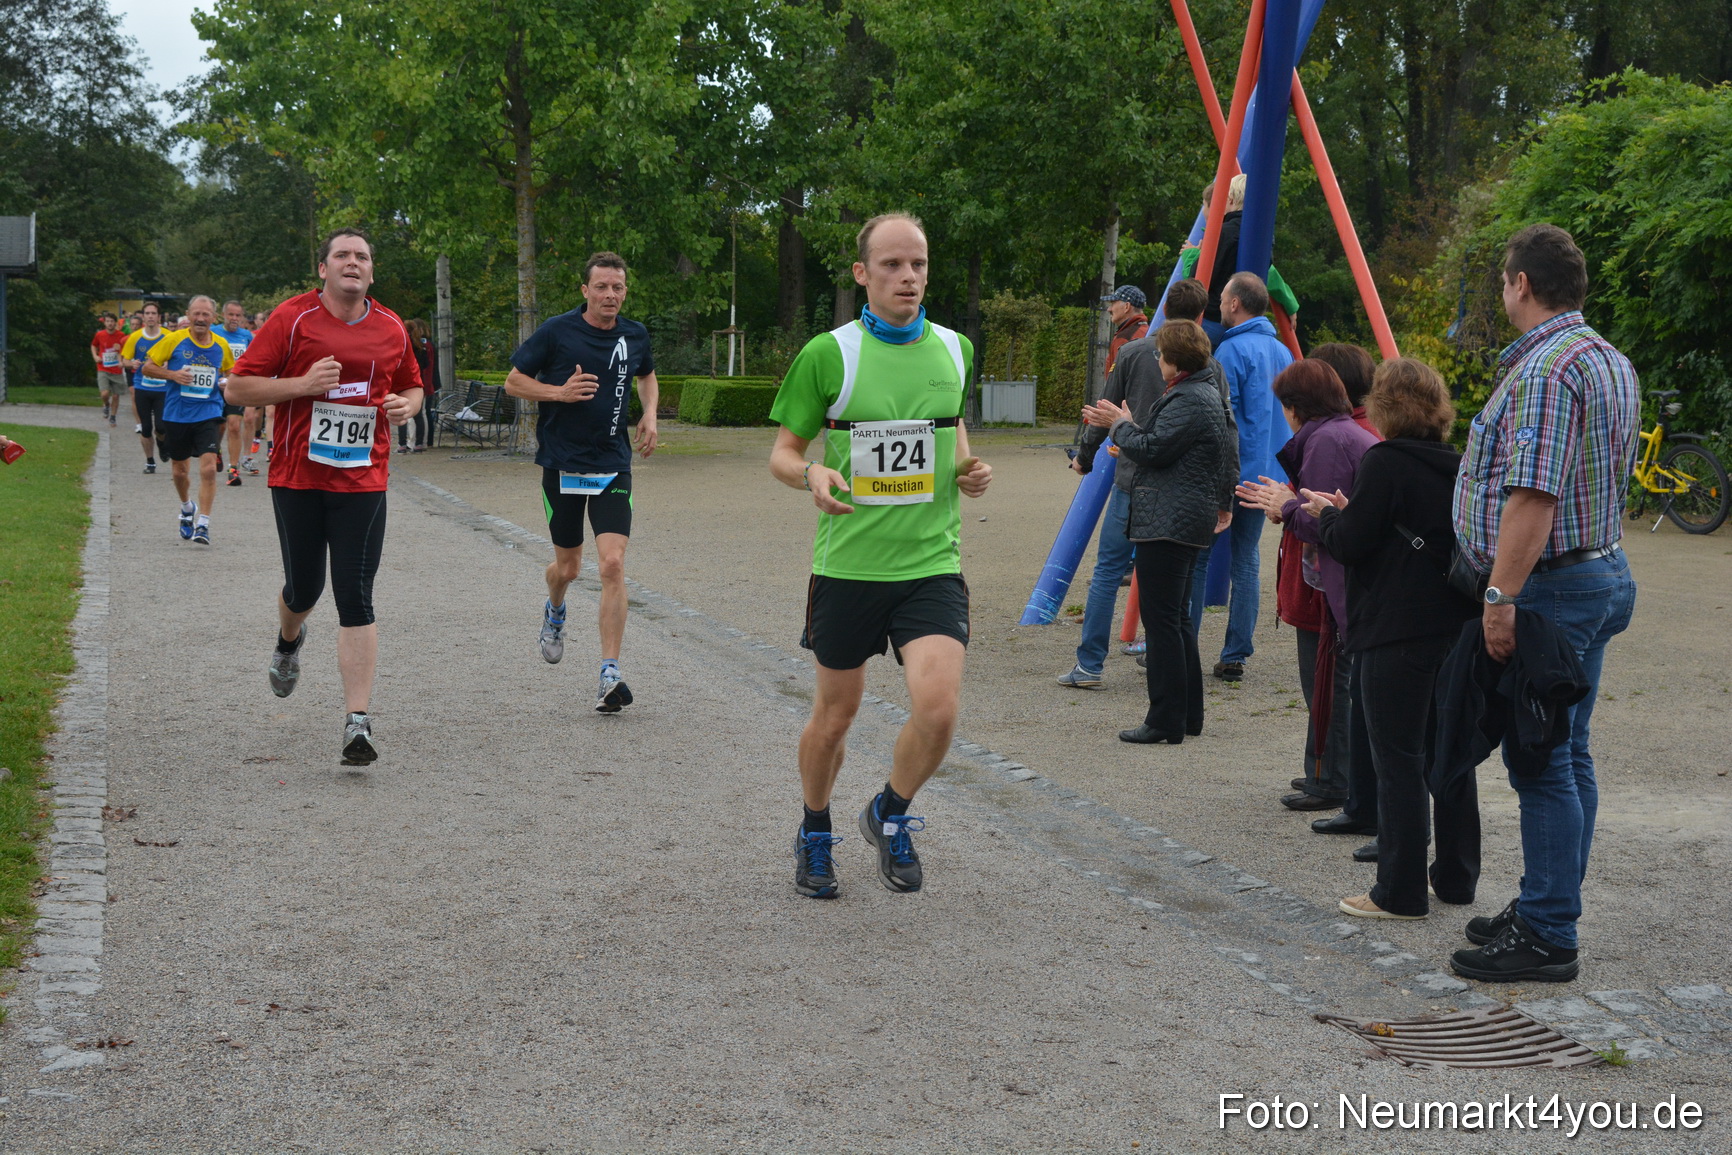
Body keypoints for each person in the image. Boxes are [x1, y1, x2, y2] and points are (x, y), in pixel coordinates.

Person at [768, 212, 992, 899]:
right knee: (836, 715)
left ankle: (890, 811)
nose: (908, 277)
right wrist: (812, 475)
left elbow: (949, 423)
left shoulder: (955, 348)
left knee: (939, 707)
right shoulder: (828, 354)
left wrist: (967, 467)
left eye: (918, 264)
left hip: (929, 562)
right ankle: (814, 830)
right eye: (892, 265)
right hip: (848, 567)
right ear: (862, 274)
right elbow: (782, 452)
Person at [1445, 224, 1638, 984]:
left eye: (1502, 278)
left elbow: (1535, 496)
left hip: (1552, 586)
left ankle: (1551, 931)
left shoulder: (1547, 371)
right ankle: (1548, 900)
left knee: (1542, 759)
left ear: (1521, 283)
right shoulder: (1605, 358)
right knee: (1570, 750)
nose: (1501, 289)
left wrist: (1501, 595)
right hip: (1597, 572)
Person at [223, 228, 425, 766]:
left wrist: (408, 406)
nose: (352, 263)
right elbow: (237, 388)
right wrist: (302, 385)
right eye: (342, 255)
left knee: (356, 593)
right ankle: (290, 639)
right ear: (323, 268)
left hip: (364, 479)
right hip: (299, 477)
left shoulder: (390, 327)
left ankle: (356, 722)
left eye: (362, 256)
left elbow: (411, 384)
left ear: (371, 271)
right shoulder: (292, 319)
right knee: (304, 586)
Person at [1297, 359, 1479, 919]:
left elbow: (1351, 542)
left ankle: (1397, 890)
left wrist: (1328, 516)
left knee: (1398, 757)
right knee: (1448, 754)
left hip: (1396, 627)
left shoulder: (1386, 461)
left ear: (1384, 407)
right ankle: (1454, 875)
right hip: (1453, 622)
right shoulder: (1458, 464)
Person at [505, 252, 659, 713]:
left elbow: (647, 375)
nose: (610, 295)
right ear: (585, 291)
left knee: (612, 563)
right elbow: (513, 382)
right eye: (602, 287)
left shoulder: (635, 334)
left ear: (625, 291)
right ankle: (555, 609)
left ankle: (609, 672)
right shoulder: (557, 330)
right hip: (563, 464)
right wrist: (559, 393)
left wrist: (650, 413)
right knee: (568, 568)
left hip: (612, 463)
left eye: (618, 287)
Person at [1081, 319, 1235, 743]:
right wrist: (1128, 426)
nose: (1158, 360)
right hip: (1183, 517)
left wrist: (1117, 423)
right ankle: (1188, 715)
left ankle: (1165, 718)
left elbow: (1152, 448)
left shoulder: (1189, 398)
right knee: (1177, 619)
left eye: (1162, 355)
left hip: (1169, 521)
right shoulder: (1199, 393)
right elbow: (1163, 445)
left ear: (1175, 360)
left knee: (1162, 621)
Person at [1236, 360, 1377, 811]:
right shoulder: (1340, 433)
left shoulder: (1327, 441)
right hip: (1336, 582)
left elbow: (1324, 523)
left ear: (1296, 407)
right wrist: (1289, 504)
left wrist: (1287, 507)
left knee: (1326, 681)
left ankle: (1332, 778)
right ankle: (1326, 771)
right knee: (1329, 681)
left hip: (1331, 587)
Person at [1060, 278, 1213, 689]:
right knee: (1183, 576)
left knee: (1108, 570)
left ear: (1163, 308)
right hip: (1181, 487)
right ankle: (1175, 656)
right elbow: (1225, 425)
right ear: (1200, 315)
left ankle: (1090, 664)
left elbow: (1104, 410)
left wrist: (1085, 457)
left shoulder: (1132, 352)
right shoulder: (1207, 361)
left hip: (1133, 477)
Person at [1191, 271, 1292, 683]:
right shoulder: (1283, 353)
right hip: (1268, 476)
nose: (1218, 305)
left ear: (1235, 304)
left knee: (1197, 559)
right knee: (1247, 561)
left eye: (1223, 299)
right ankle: (1236, 653)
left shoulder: (1229, 353)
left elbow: (1218, 420)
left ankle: (1182, 642)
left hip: (1229, 473)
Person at [1303, 343, 1381, 847]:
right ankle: (1340, 782)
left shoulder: (1344, 439)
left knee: (1342, 684)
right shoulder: (1364, 438)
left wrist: (1295, 510)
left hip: (1350, 592)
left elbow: (1349, 532)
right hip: (1345, 586)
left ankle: (1341, 782)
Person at [141, 296, 234, 545]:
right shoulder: (173, 340)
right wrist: (172, 374)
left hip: (208, 413)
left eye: (206, 315)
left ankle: (203, 524)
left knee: (208, 468)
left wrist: (226, 382)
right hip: (177, 414)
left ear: (214, 318)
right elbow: (147, 368)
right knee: (180, 472)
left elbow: (230, 371)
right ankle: (186, 508)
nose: (201, 319)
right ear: (188, 315)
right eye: (196, 314)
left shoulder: (222, 345)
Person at [1181, 176, 1301, 347]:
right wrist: (1290, 303)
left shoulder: (1223, 232)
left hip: (1215, 318)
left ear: (1229, 199)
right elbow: (1268, 273)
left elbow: (1197, 279)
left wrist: (1191, 255)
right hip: (1247, 320)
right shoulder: (1264, 236)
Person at [120, 302, 170, 474]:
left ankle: (163, 445)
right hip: (143, 387)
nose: (150, 316)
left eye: (153, 313)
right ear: (143, 316)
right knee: (146, 427)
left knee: (162, 427)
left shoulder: (168, 336)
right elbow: (124, 360)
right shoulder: (135, 337)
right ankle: (150, 461)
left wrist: (168, 363)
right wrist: (130, 363)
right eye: (147, 313)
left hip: (163, 388)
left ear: (158, 317)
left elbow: (177, 355)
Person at [213, 300, 258, 482]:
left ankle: (233, 469)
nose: (234, 318)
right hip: (216, 387)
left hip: (237, 387)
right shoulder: (214, 332)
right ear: (223, 315)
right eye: (231, 314)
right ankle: (216, 449)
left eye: (238, 315)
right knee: (221, 426)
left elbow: (254, 359)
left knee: (234, 425)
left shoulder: (246, 336)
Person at [399, 318, 437, 453]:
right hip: (419, 382)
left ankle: (403, 444)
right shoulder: (422, 346)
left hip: (404, 383)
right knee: (419, 414)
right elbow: (426, 364)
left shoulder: (403, 344)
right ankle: (419, 443)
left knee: (403, 413)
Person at [1100, 285, 1150, 376]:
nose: (1109, 309)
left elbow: (1116, 379)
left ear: (1126, 306)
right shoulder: (1148, 331)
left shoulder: (1124, 338)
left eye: (1113, 303)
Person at [90, 313, 128, 426]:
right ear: (104, 323)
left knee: (116, 395)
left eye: (112, 321)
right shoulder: (100, 335)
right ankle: (106, 405)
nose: (110, 323)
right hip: (103, 368)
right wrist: (95, 356)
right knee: (105, 393)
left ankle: (113, 416)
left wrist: (121, 356)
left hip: (116, 369)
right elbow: (93, 345)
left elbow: (127, 350)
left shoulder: (121, 335)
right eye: (107, 321)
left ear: (115, 323)